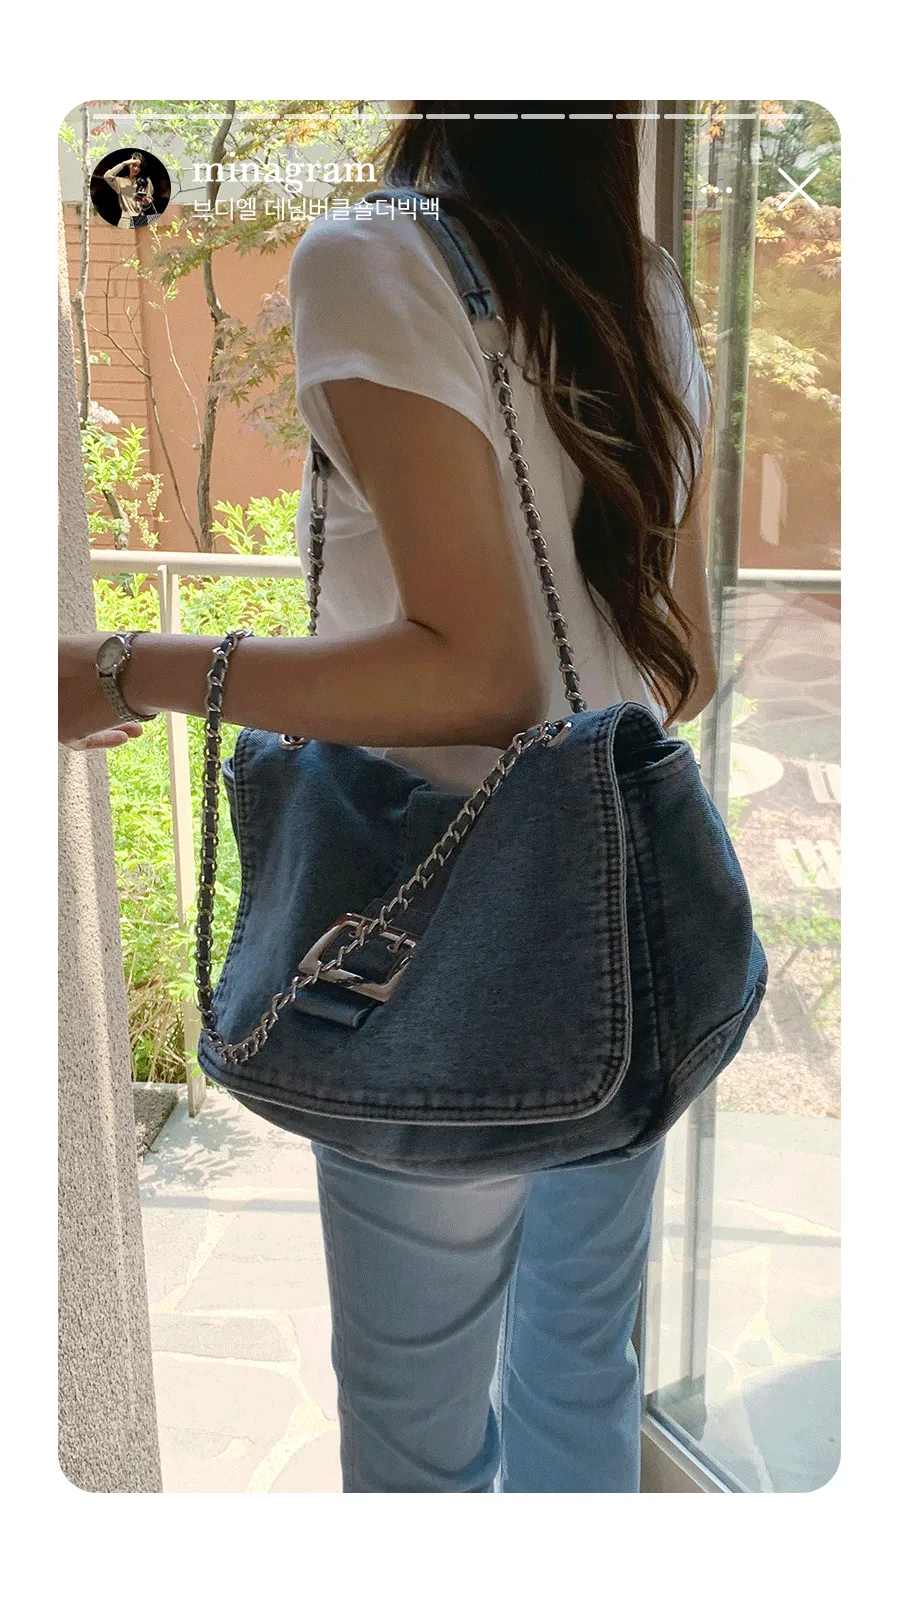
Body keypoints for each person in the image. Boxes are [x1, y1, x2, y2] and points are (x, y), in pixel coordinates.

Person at [59, 100, 717, 1493]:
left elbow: (475, 676)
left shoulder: (375, 253)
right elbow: (687, 667)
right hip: (627, 929)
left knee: (420, 1441)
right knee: (581, 1371)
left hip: (438, 942)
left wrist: (126, 669)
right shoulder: (643, 282)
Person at [103, 152, 155, 229]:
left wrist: (145, 200)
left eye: (139, 167)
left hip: (140, 219)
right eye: (134, 165)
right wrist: (123, 163)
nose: (136, 169)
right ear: (129, 165)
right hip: (125, 220)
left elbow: (149, 200)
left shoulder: (145, 181)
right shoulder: (120, 181)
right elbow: (107, 176)